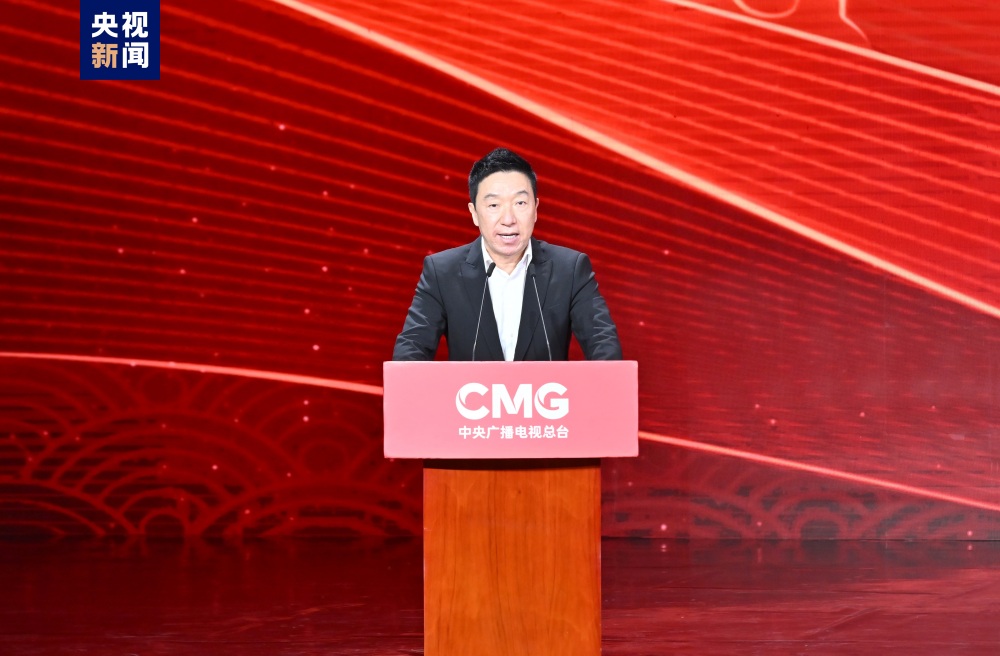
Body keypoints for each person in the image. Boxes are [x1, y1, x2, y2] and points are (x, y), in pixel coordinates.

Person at [392, 147, 622, 362]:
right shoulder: (442, 272)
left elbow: (604, 345)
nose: (508, 219)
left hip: (547, 394)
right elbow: (411, 350)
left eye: (520, 203)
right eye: (494, 205)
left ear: (535, 209)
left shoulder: (570, 269)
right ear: (474, 213)